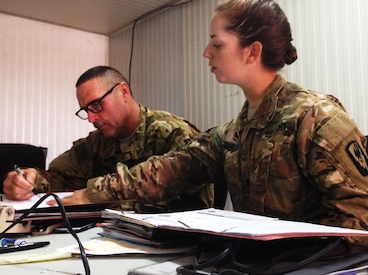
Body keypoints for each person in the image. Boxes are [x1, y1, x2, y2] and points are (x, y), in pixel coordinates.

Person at [40, 0, 368, 245]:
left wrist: (290, 258)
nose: (206, 53)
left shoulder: (317, 120)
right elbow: (167, 170)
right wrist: (89, 194)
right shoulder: (233, 133)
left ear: (252, 51)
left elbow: (363, 225)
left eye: (216, 44)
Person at [3, 66, 213, 212]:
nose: (92, 118)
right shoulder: (98, 142)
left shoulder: (173, 133)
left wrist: (103, 202)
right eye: (86, 110)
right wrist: (30, 180)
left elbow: (194, 205)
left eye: (96, 105)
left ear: (123, 91)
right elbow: (63, 179)